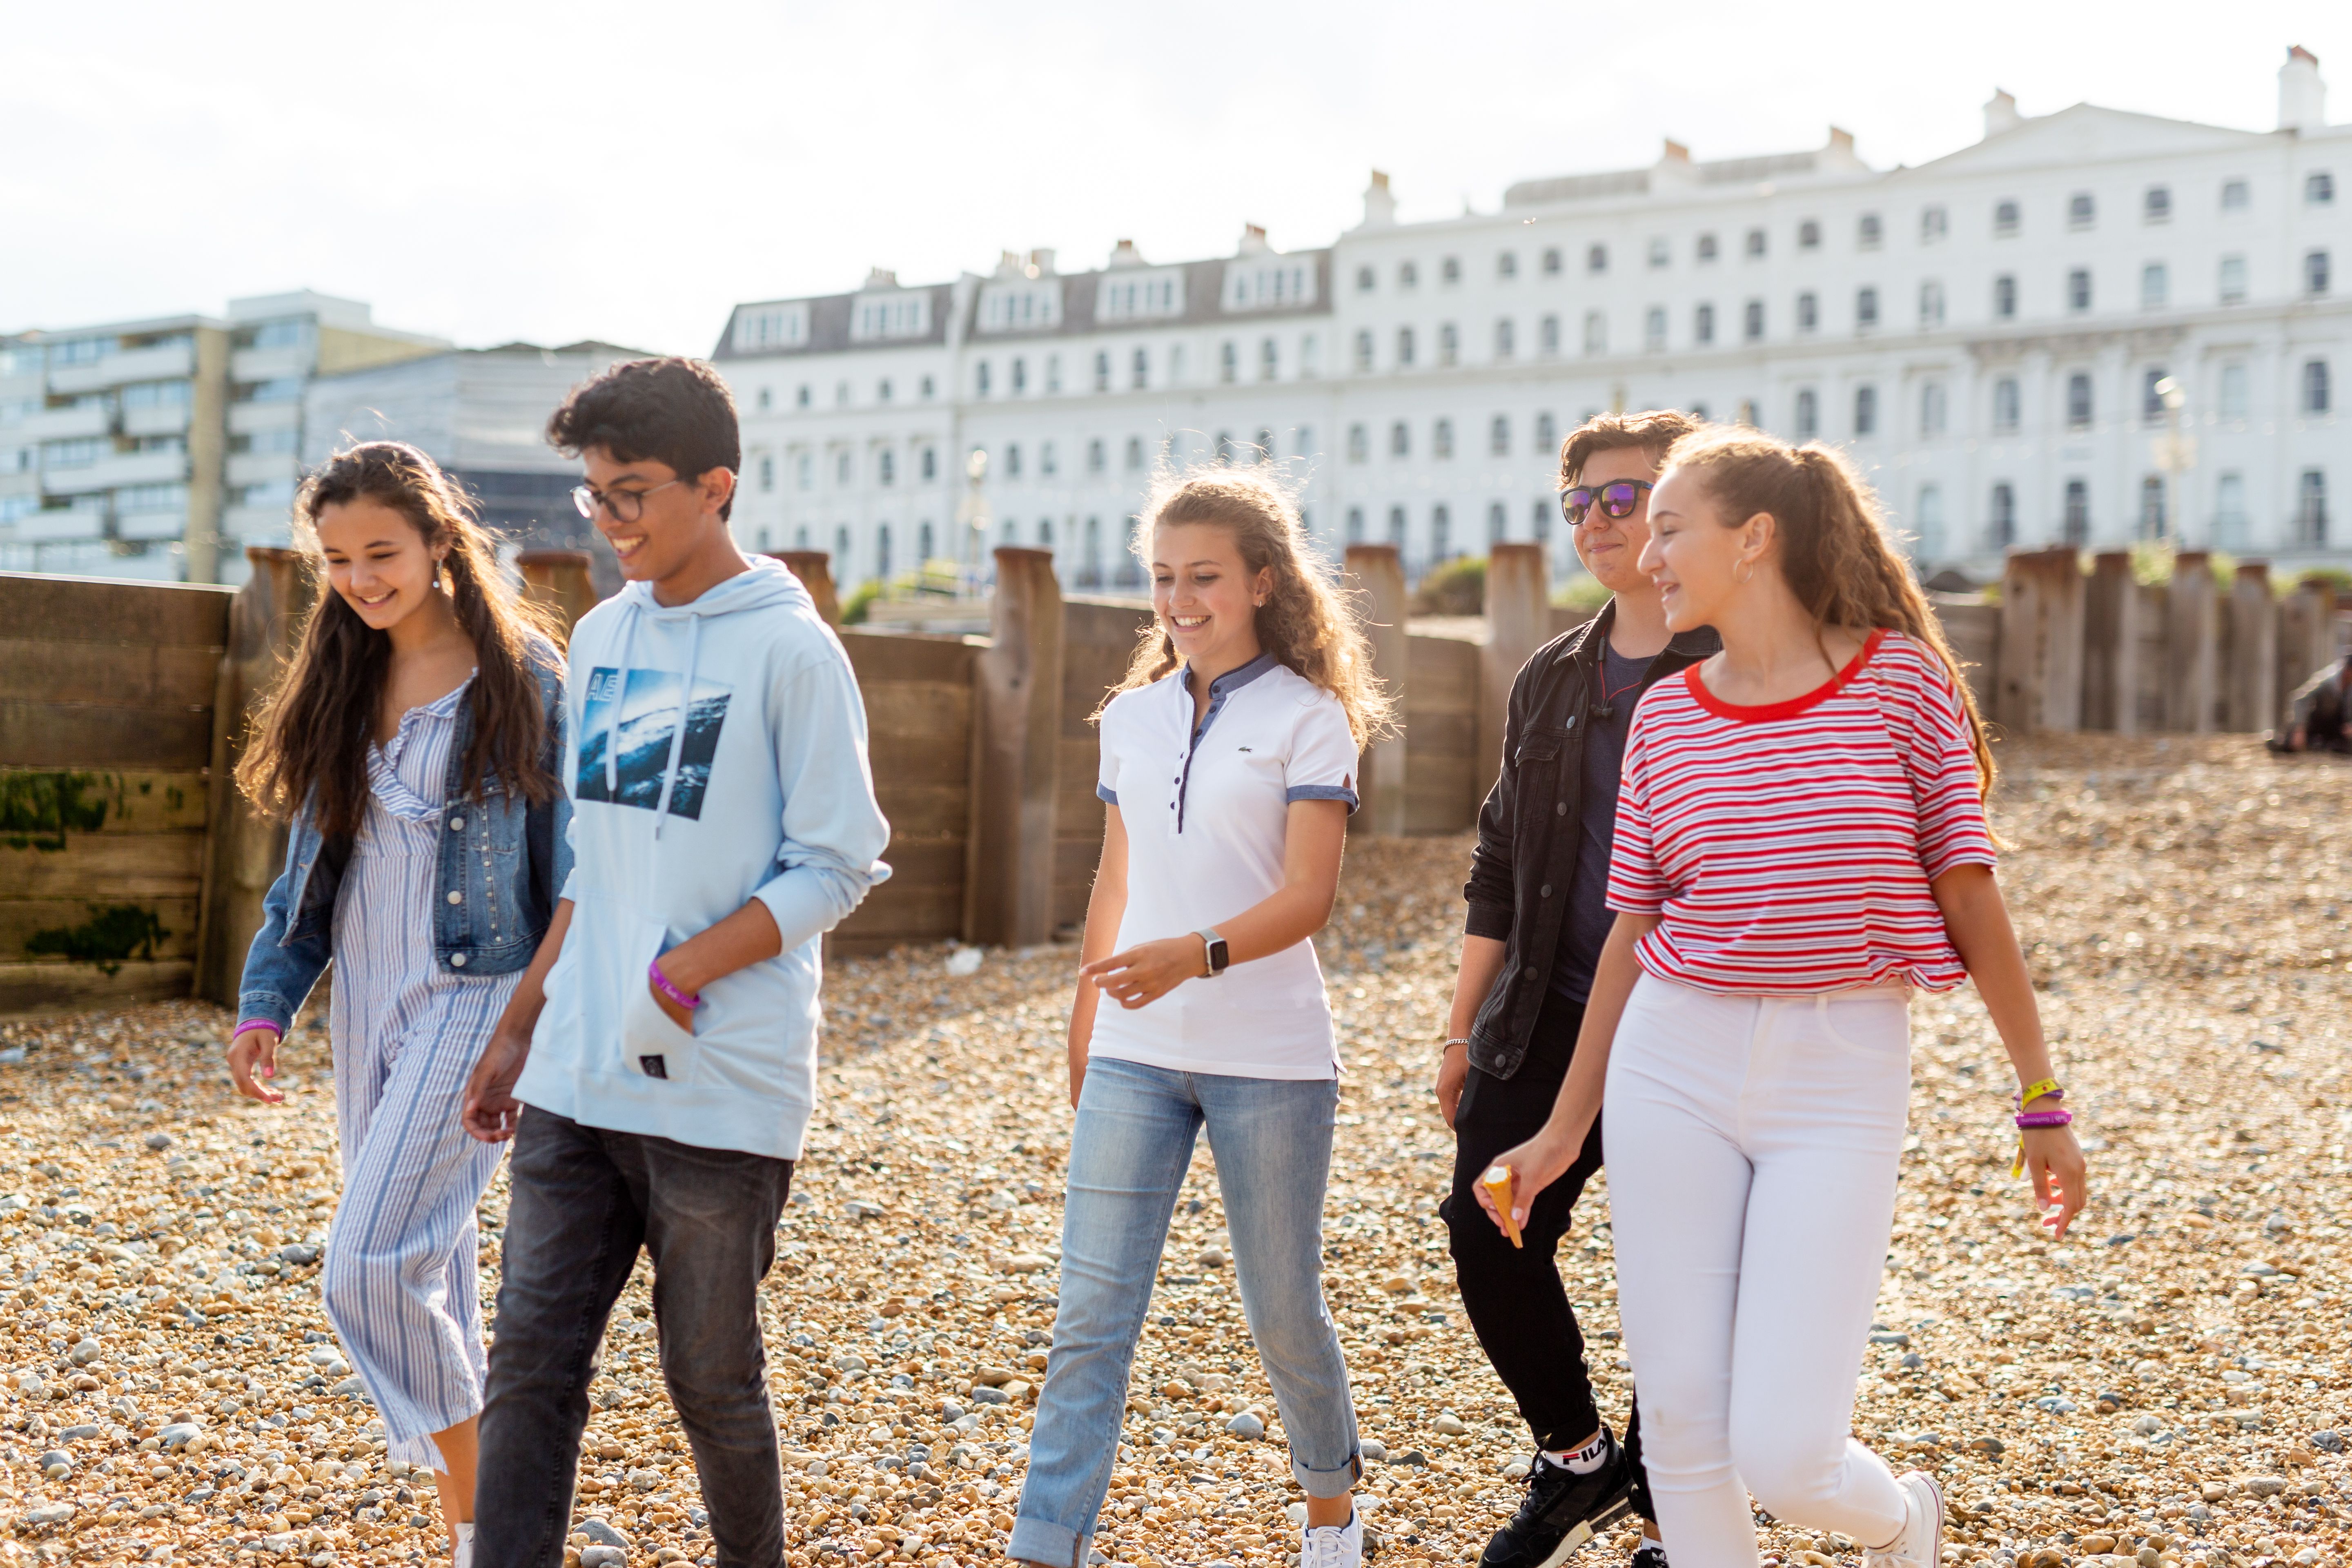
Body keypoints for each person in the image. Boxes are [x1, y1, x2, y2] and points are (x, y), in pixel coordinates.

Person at [1480, 428, 2089, 1568]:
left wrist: (2040, 1096)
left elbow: (1968, 887)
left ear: (1753, 538)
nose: (1646, 554)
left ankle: (1904, 1520)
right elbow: (1634, 932)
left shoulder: (1901, 681)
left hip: (1842, 1068)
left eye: (1669, 527)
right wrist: (1565, 1128)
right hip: (1676, 1063)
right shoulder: (1666, 717)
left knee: (1786, 1450)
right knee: (1692, 1443)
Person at [459, 357, 892, 1567]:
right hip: (577, 1076)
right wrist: (519, 1026)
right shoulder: (605, 637)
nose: (609, 521)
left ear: (717, 488)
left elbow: (840, 861)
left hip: (720, 1084)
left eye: (632, 493)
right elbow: (597, 854)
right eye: (595, 495)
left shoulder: (792, 655)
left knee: (711, 1380)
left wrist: (689, 968)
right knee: (531, 1365)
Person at [1009, 468, 1395, 1568]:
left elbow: (1308, 896)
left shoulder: (1310, 718)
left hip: (1269, 1061)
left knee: (1282, 1310)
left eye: (1207, 577)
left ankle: (1331, 1507)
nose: (1181, 599)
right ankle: (1048, 1541)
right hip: (1136, 1053)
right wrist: (1086, 1021)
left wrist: (1198, 955)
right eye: (1165, 578)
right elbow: (1114, 881)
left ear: (1263, 583)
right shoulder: (1127, 717)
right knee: (1091, 1311)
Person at [228, 441, 571, 1568]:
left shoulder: (520, 675)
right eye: (338, 559)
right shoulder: (344, 675)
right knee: (428, 1270)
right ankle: (475, 1542)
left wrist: (535, 1019)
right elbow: (308, 881)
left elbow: (577, 871)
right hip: (367, 1003)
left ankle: (505, 1528)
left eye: (382, 552)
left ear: (438, 541)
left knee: (367, 1267)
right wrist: (266, 1003)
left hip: (480, 996)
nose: (362, 578)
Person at [1437, 410, 1714, 1568]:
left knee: (1678, 1258)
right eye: (1583, 501)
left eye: (1629, 495)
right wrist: (1461, 1025)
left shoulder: (1739, 665)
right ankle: (1576, 1456)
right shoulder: (1552, 676)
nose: (1603, 520)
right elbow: (1500, 858)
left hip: (1692, 1014)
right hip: (1548, 1003)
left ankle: (1673, 1513)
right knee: (1485, 1225)